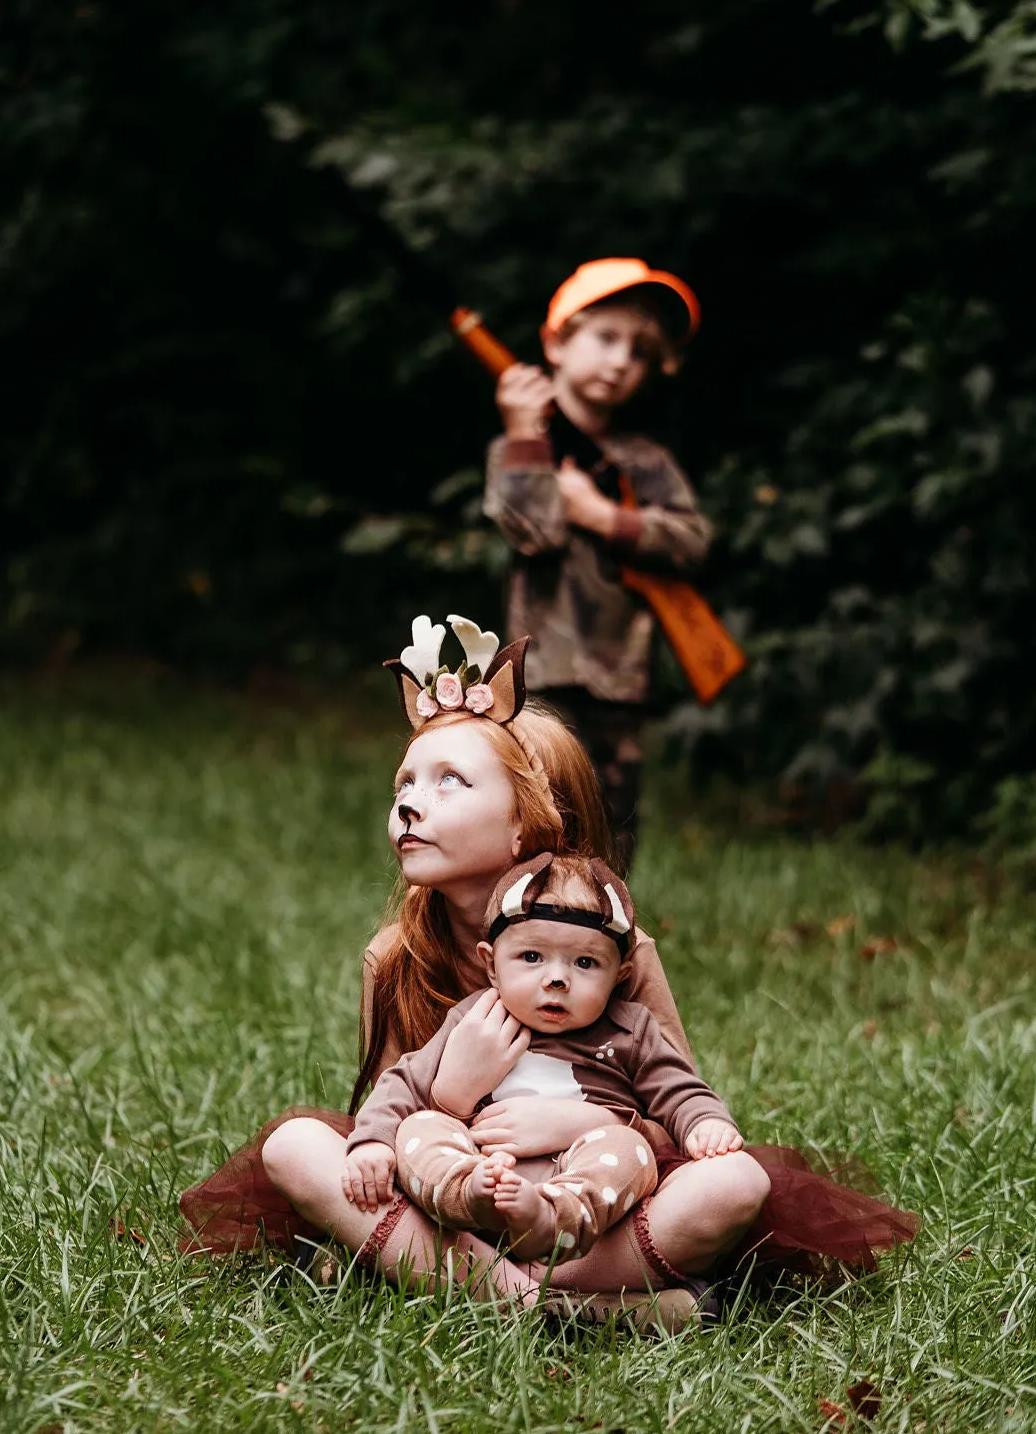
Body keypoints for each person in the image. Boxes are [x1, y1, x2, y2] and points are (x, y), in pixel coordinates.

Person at [178, 613, 920, 1325]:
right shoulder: (396, 956)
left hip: (592, 1203)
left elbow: (674, 1105)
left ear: (529, 823)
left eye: (447, 783)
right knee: (295, 1148)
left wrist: (579, 1119)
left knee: (736, 1182)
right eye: (403, 784)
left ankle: (477, 1286)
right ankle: (560, 1308)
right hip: (456, 1192)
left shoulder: (613, 947)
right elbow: (384, 1126)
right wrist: (453, 1090)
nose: (409, 804)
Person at [345, 851, 744, 1262]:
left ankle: (550, 1220)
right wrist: (372, 1142)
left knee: (628, 1148)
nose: (556, 979)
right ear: (492, 965)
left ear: (619, 975)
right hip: (484, 1163)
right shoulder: (476, 1017)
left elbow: (679, 1088)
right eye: (532, 957)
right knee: (419, 1127)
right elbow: (404, 1080)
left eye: (585, 963)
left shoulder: (630, 1029)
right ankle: (470, 1196)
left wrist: (704, 1120)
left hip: (585, 1183)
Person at [482, 258, 711, 869]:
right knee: (532, 839)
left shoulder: (645, 461)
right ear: (557, 342)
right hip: (539, 682)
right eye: (606, 338)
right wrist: (525, 432)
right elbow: (532, 533)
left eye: (639, 352)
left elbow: (692, 543)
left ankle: (602, 957)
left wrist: (606, 517)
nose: (619, 362)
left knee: (610, 850)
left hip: (619, 680)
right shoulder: (519, 448)